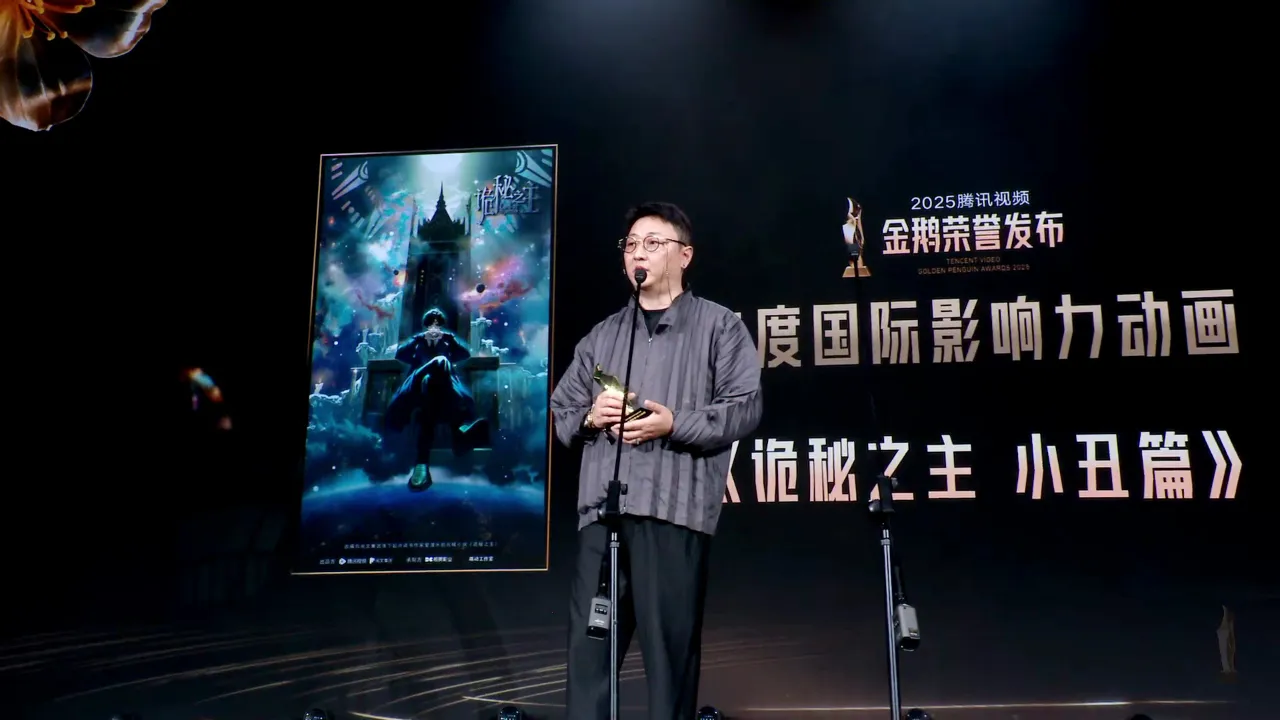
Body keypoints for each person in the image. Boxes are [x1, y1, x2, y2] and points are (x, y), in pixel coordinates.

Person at [550, 201, 763, 718]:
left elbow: (743, 407)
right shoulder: (603, 336)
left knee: (669, 663)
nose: (637, 254)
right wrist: (591, 417)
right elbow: (561, 410)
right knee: (589, 660)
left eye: (652, 243)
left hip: (674, 513)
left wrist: (674, 423)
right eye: (630, 245)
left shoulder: (719, 327)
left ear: (684, 255)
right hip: (603, 515)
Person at [383, 307, 488, 491]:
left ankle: (423, 464)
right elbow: (400, 354)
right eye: (431, 322)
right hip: (417, 382)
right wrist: (419, 339)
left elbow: (465, 354)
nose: (434, 325)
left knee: (432, 402)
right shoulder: (418, 341)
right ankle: (459, 437)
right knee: (441, 361)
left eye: (438, 322)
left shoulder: (447, 340)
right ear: (426, 325)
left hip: (440, 390)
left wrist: (450, 338)